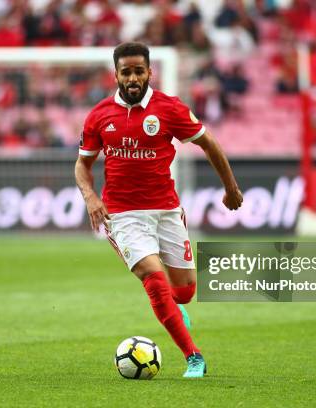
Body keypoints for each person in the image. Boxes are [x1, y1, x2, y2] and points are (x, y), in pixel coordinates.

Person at [74, 42, 243, 378]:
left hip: (166, 210)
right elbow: (82, 165)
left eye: (139, 71)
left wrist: (230, 187)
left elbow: (208, 143)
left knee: (184, 292)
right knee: (154, 279)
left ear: (150, 72)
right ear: (117, 75)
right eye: (126, 72)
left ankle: (176, 310)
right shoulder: (99, 115)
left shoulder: (170, 109)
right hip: (122, 215)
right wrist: (92, 198)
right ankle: (193, 357)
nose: (133, 77)